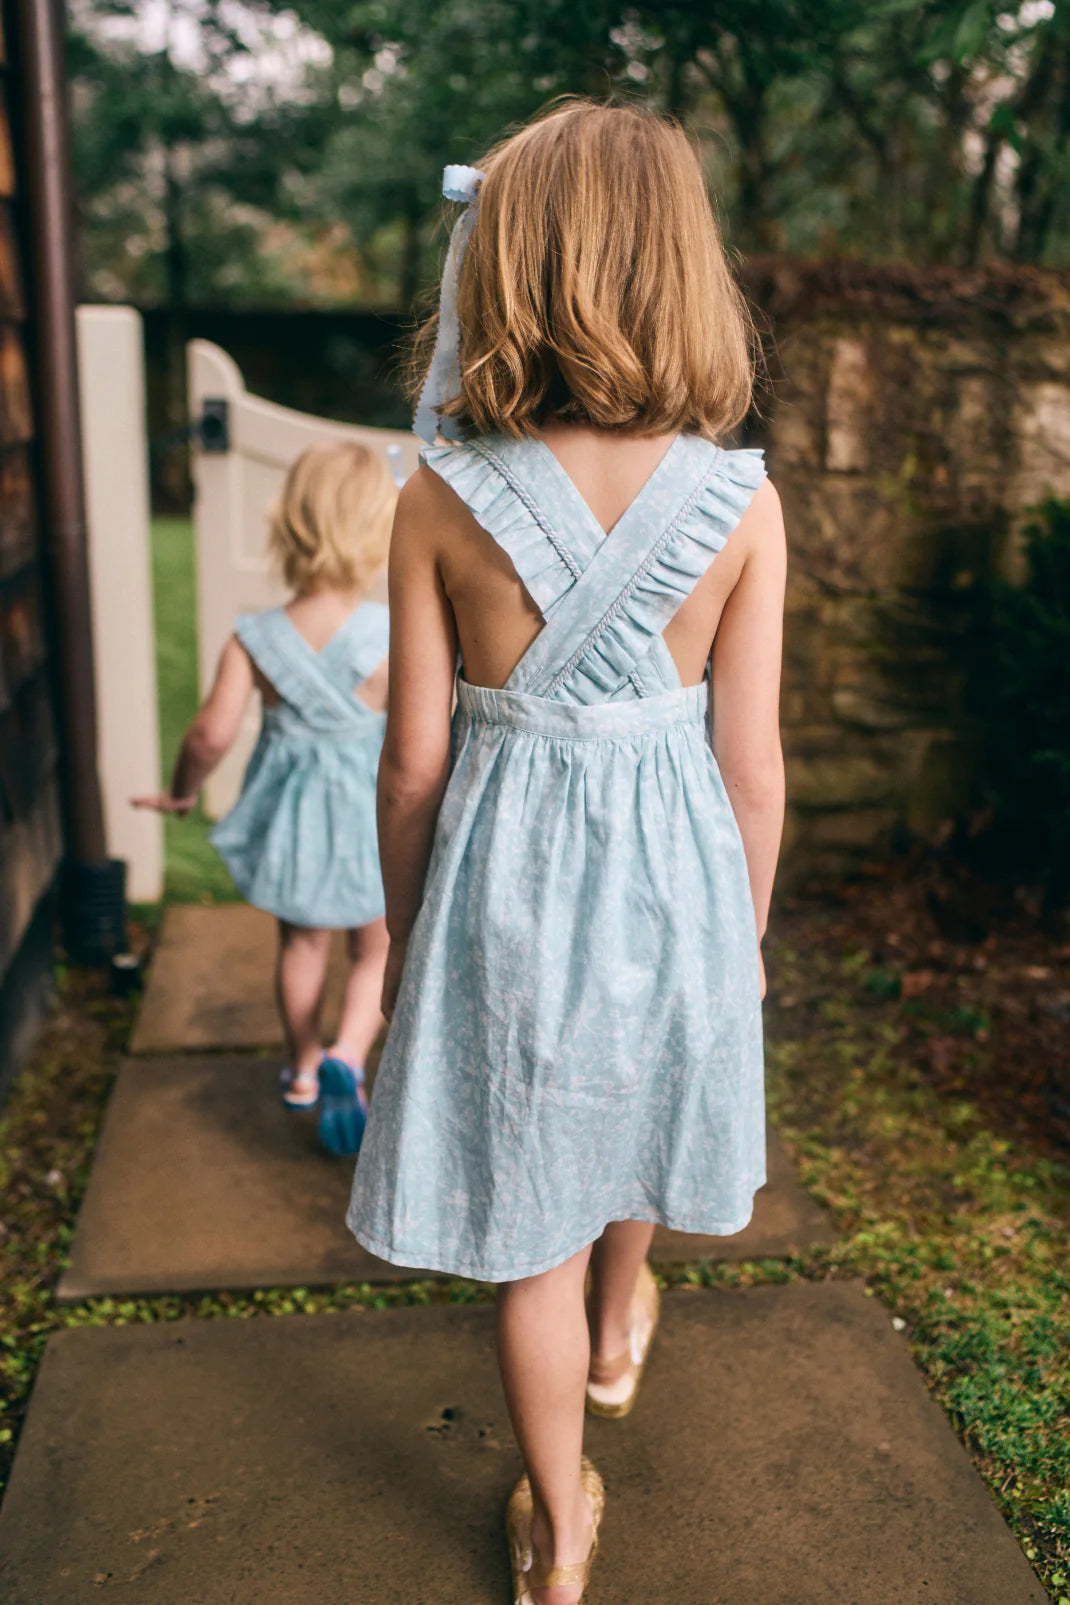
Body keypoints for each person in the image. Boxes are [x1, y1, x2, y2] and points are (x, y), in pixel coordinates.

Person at [348, 100, 786, 1604]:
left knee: (525, 1227)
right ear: (685, 265)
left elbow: (409, 765)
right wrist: (744, 943)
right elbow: (750, 764)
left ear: (504, 268)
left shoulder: (436, 496)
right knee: (648, 1092)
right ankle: (622, 1326)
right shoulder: (738, 500)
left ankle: (561, 1531)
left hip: (503, 901)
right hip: (679, 891)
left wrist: (409, 941)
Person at [134, 441, 396, 1157]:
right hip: (371, 821)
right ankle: (351, 1046)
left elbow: (212, 733)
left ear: (289, 524)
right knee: (375, 949)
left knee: (300, 943)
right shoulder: (391, 636)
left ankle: (305, 1067)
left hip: (296, 823)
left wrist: (182, 791)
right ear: (378, 531)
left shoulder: (256, 636)